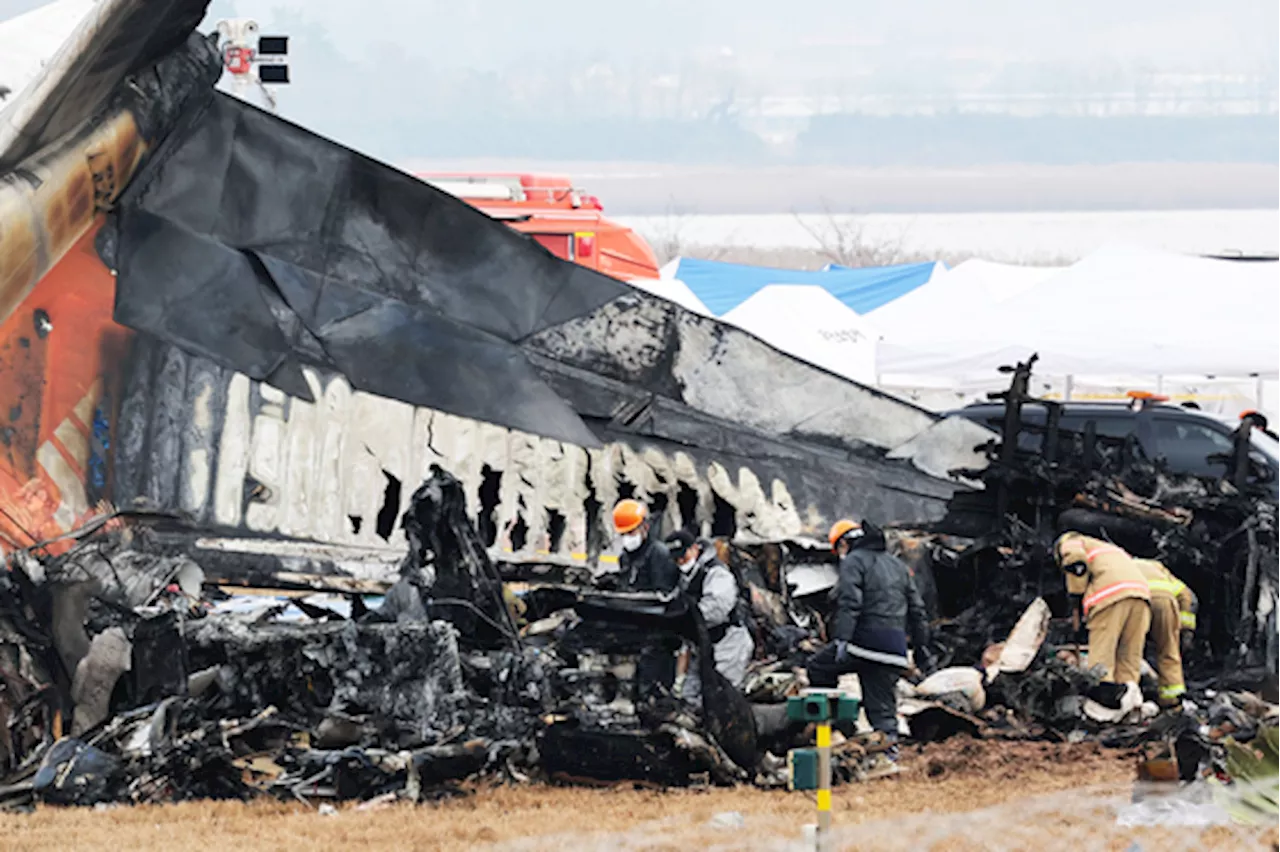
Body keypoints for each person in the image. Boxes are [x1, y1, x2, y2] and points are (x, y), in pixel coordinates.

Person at [806, 519, 931, 744]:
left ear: (845, 543)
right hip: (894, 649)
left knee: (818, 667)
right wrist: (921, 649)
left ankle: (838, 730)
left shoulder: (854, 561)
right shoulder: (897, 565)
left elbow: (850, 603)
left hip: (862, 644)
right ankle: (889, 753)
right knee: (882, 707)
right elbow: (917, 610)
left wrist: (842, 639)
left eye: (838, 549)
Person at [1054, 532, 1151, 713]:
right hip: (1141, 594)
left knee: (1102, 656)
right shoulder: (1110, 549)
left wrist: (1075, 594)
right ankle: (1130, 704)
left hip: (1109, 595)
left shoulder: (1071, 541)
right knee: (1129, 656)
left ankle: (1103, 707)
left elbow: (1075, 560)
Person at [665, 531, 754, 704]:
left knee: (721, 698)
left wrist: (682, 619)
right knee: (688, 698)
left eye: (683, 556)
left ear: (694, 549)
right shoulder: (684, 577)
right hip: (700, 645)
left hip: (728, 643)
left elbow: (716, 610)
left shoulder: (717, 574)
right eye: (676, 560)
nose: (680, 562)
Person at [611, 499, 680, 699]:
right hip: (635, 631)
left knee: (652, 690)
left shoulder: (659, 554)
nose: (626, 538)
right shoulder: (626, 557)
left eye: (630, 533)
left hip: (657, 634)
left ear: (645, 528)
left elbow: (664, 597)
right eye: (623, 534)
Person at [1134, 557, 1198, 706]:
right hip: (1165, 602)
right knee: (1168, 651)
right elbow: (1185, 596)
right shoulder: (1158, 569)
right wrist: (1185, 631)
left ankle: (1132, 698)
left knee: (1130, 652)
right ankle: (1171, 699)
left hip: (1138, 601)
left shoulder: (1120, 566)